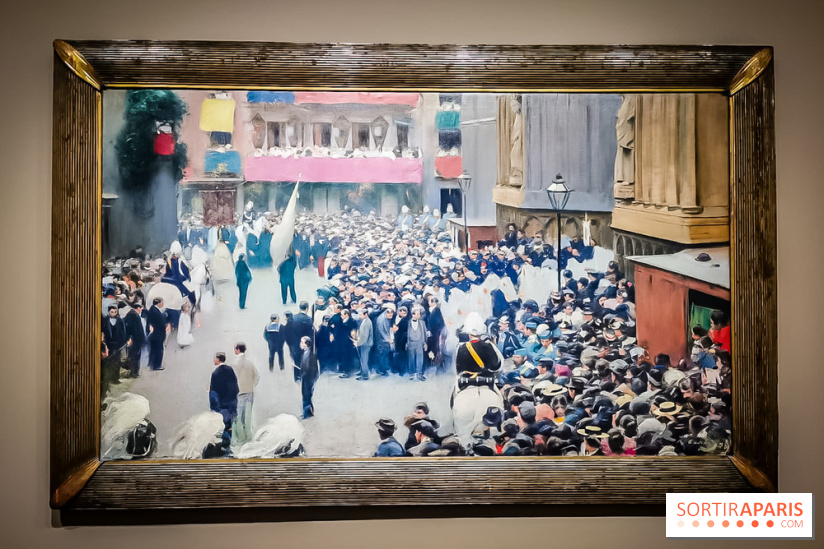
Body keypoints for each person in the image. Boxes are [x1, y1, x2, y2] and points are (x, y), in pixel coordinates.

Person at [209, 352, 239, 453]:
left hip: (221, 404)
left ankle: (222, 446)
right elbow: (235, 387)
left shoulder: (215, 373)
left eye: (215, 358)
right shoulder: (230, 371)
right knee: (229, 424)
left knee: (221, 425)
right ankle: (228, 445)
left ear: (218, 359)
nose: (214, 360)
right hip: (230, 403)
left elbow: (213, 392)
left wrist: (214, 406)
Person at [232, 342, 259, 444]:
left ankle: (241, 438)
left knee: (238, 416)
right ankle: (248, 437)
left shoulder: (235, 363)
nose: (234, 350)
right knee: (247, 416)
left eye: (235, 349)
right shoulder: (249, 362)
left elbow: (233, 379)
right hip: (250, 393)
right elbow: (257, 376)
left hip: (240, 393)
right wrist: (251, 385)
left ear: (238, 350)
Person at [123, 301, 146, 378]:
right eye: (140, 309)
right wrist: (131, 338)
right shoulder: (133, 315)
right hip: (135, 340)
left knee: (135, 356)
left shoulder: (132, 314)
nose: (141, 310)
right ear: (138, 308)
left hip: (135, 339)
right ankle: (134, 372)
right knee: (134, 356)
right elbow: (133, 329)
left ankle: (134, 372)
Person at [406, 305, 428, 381]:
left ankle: (419, 374)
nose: (419, 315)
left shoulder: (422, 322)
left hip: (419, 342)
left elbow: (424, 333)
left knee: (420, 359)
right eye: (417, 314)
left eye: (419, 314)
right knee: (411, 358)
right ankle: (412, 373)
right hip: (411, 343)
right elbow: (405, 334)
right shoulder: (408, 322)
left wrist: (425, 343)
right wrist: (407, 343)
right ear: (413, 314)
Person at [146, 297, 168, 371]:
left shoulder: (153, 310)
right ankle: (156, 365)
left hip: (156, 334)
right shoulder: (155, 312)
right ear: (158, 303)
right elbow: (160, 323)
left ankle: (153, 364)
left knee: (154, 350)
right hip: (157, 335)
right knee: (157, 350)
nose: (163, 304)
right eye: (162, 302)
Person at [299, 336, 319, 418]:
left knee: (307, 395)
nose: (300, 344)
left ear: (306, 344)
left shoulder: (311, 355)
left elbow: (313, 369)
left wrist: (306, 374)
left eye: (302, 342)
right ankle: (308, 412)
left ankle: (307, 413)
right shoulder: (305, 352)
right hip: (305, 377)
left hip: (308, 378)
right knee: (305, 394)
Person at [355, 307, 374, 380]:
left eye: (361, 314)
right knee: (362, 360)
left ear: (366, 314)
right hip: (364, 343)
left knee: (364, 360)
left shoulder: (366, 323)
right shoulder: (365, 321)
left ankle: (365, 376)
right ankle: (362, 372)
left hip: (365, 344)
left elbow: (364, 337)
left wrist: (358, 343)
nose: (360, 316)